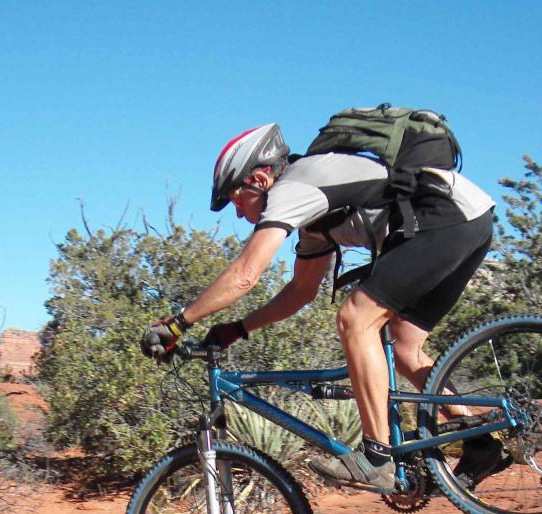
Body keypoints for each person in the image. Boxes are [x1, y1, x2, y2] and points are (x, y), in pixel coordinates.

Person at [141, 122, 508, 493]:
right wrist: (238, 329)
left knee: (356, 318)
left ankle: (376, 458)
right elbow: (301, 291)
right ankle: (480, 443)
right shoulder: (313, 217)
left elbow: (244, 275)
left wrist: (176, 324)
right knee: (404, 348)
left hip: (444, 219)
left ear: (261, 179)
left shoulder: (294, 188)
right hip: (466, 218)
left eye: (236, 198)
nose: (237, 212)